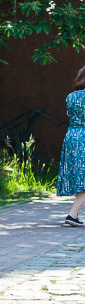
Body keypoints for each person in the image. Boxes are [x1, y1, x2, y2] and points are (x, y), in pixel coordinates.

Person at [59, 66, 85, 227]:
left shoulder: (70, 97)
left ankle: (73, 214)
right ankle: (72, 214)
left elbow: (71, 115)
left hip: (72, 137)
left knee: (81, 178)